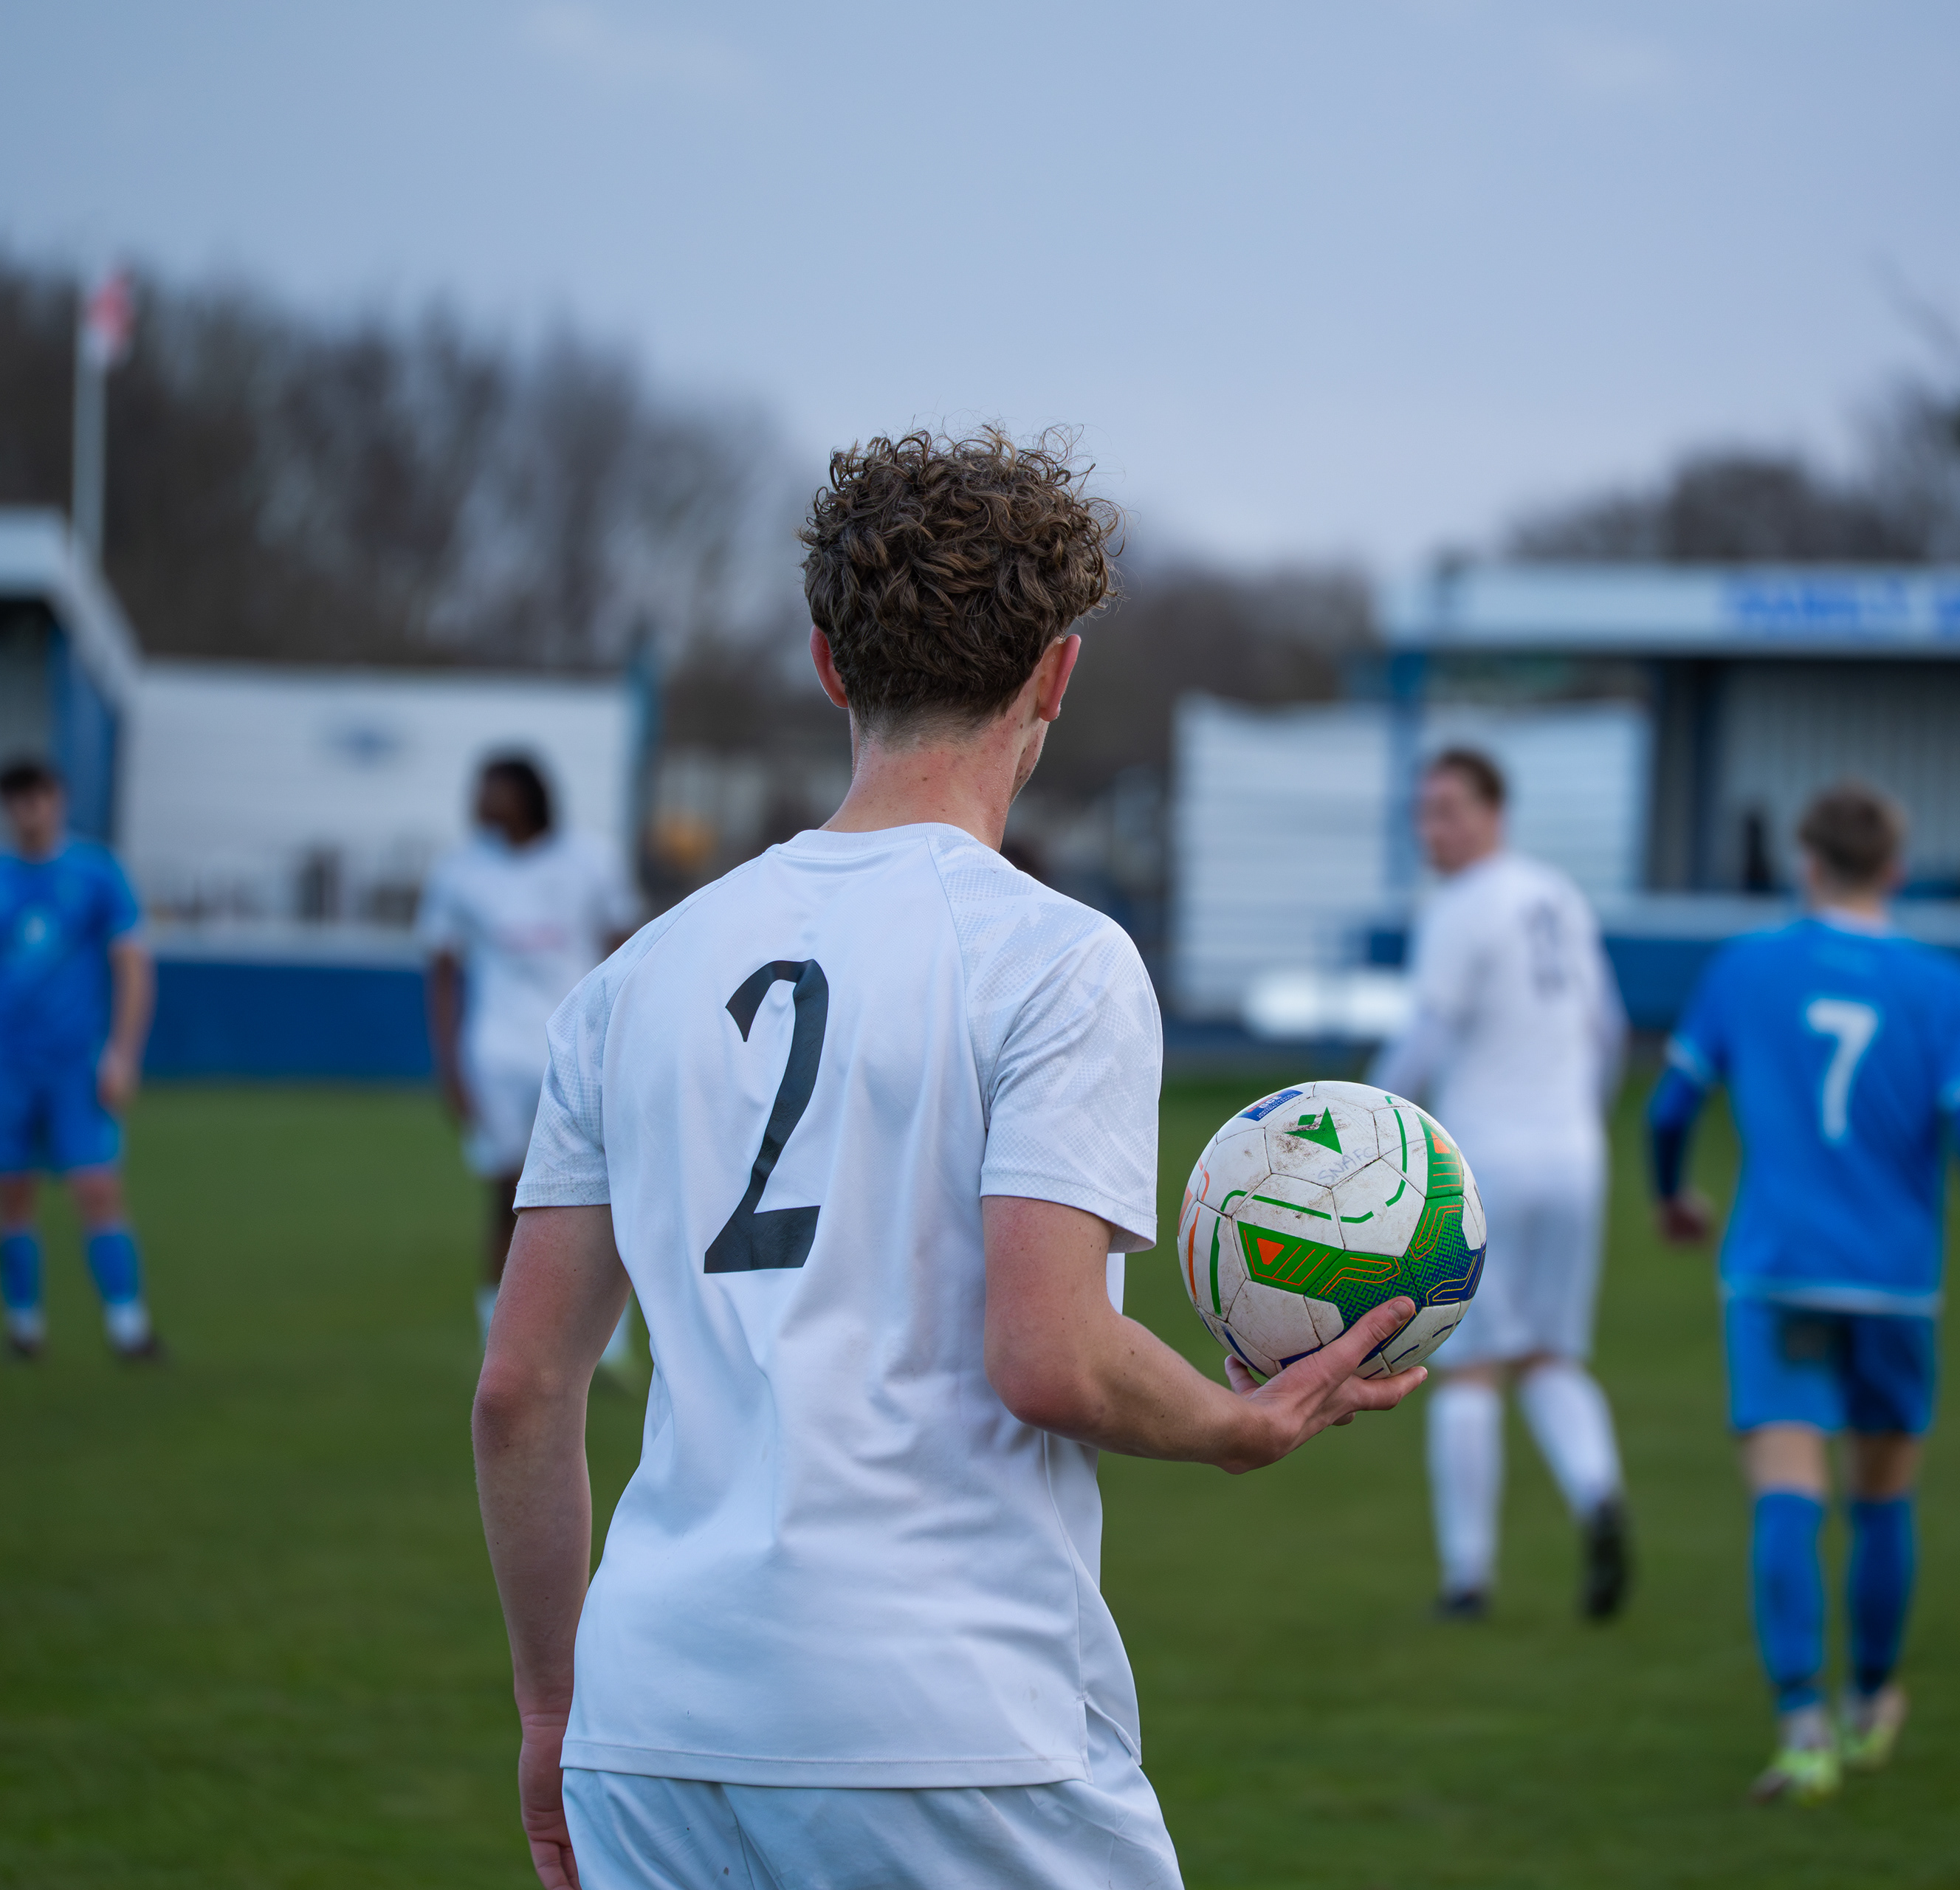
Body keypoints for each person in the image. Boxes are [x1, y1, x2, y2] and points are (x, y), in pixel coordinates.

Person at [471, 428, 1424, 1890]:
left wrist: (554, 1709)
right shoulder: (1054, 961)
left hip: (652, 1721)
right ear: (1056, 675)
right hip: (943, 1723)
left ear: (828, 665)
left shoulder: (633, 978)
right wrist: (1236, 1425)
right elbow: (1050, 1357)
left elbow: (522, 1391)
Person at [1646, 780, 1960, 1806]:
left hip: (1777, 1270)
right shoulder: (1945, 985)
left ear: (1807, 863)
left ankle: (1802, 1729)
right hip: (1895, 1283)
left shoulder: (1745, 966)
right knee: (1882, 1499)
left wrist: (1673, 1195)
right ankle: (1871, 1706)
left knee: (1786, 1489)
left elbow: (1669, 1107)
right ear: (1898, 870)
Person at [1371, 747, 1633, 1623]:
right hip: (1576, 1156)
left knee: (1467, 1367)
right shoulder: (1559, 894)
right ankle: (1598, 1492)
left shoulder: (1459, 908)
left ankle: (1468, 1578)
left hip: (1483, 1162)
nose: (1431, 829)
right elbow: (1609, 1030)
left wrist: (1362, 1124)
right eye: (1423, 811)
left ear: (1494, 812)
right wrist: (1583, 1121)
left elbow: (1424, 1039)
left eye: (1447, 809)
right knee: (1550, 1354)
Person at [0, 757, 159, 1360]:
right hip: (2, 1063)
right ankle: (24, 1327)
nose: (28, 812)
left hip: (75, 1064)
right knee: (11, 1193)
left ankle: (129, 1327)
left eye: (37, 798)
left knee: (97, 1188)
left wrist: (123, 1053)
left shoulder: (96, 873)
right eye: (16, 800)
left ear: (58, 800)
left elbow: (133, 965)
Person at [416, 754, 638, 1355]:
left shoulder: (592, 859)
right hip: (494, 1054)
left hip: (575, 1049)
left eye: (493, 789)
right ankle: (498, 1329)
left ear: (528, 793)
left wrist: (621, 1042)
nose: (480, 801)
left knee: (599, 1186)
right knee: (507, 1191)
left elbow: (625, 950)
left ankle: (608, 1339)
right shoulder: (461, 871)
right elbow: (441, 968)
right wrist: (449, 1067)